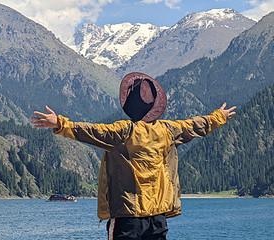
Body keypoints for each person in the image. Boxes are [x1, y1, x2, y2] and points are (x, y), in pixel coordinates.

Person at [31, 72, 236, 240]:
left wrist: (60, 124)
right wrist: (219, 116)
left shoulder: (122, 132)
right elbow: (195, 125)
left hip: (127, 216)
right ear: (154, 106)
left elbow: (91, 131)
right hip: (157, 217)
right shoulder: (169, 130)